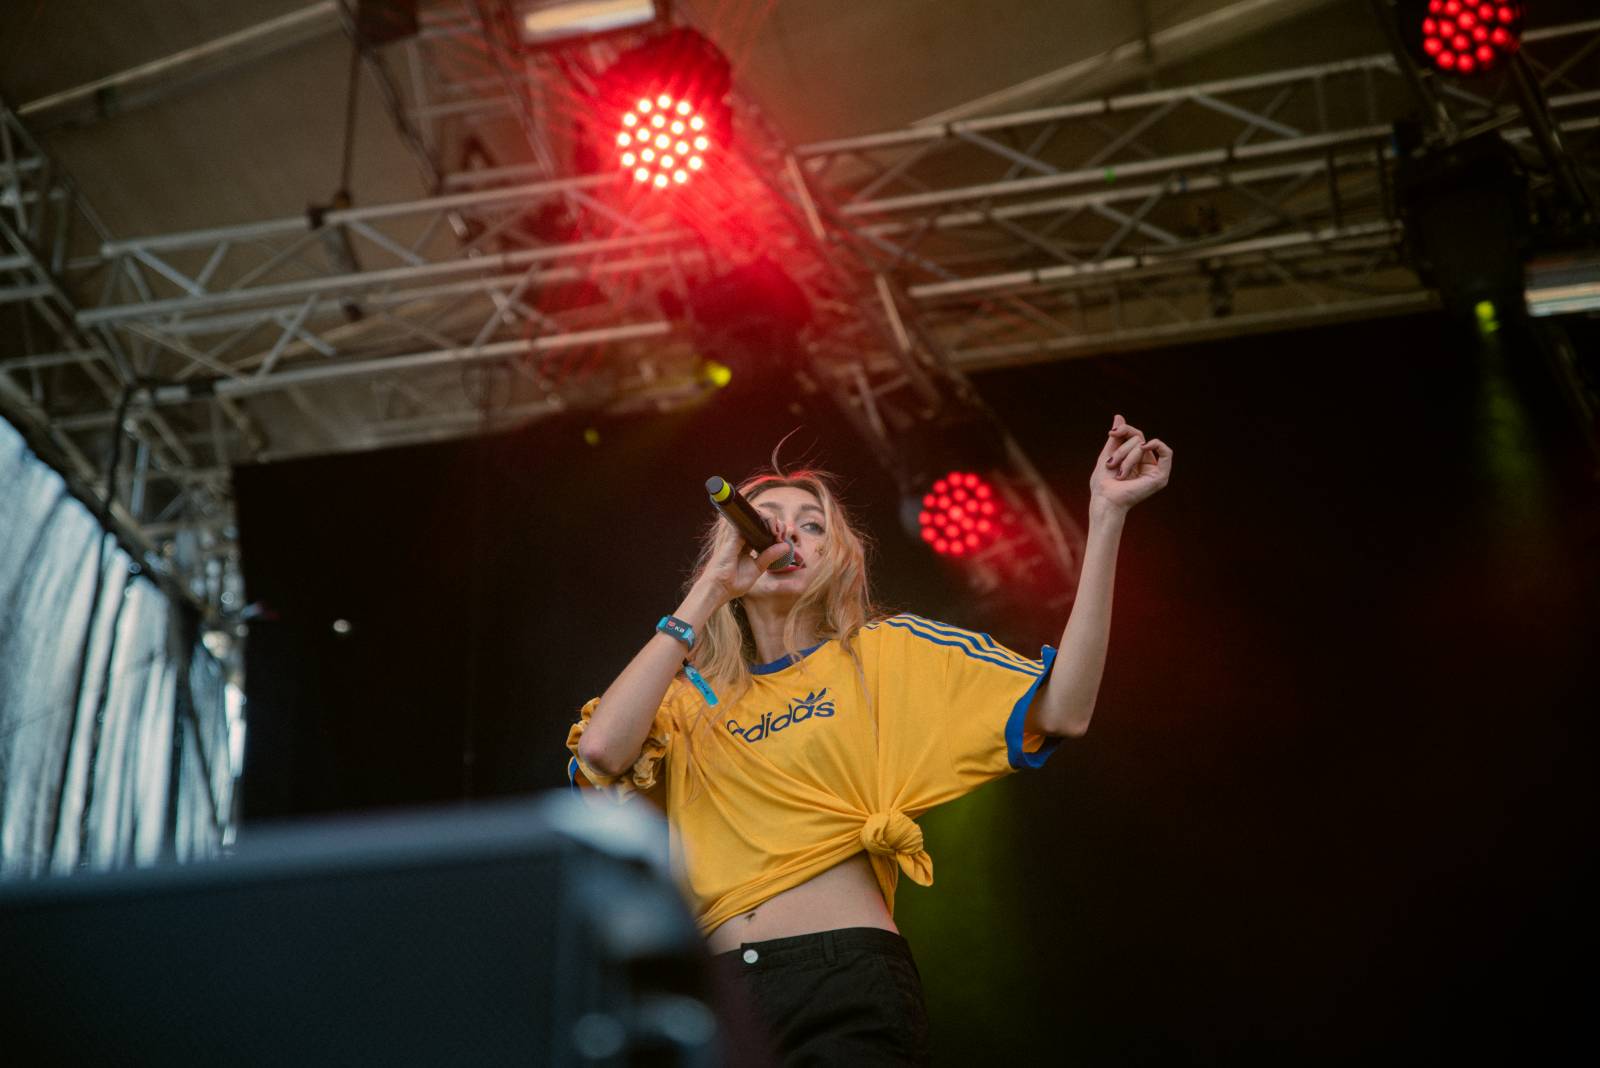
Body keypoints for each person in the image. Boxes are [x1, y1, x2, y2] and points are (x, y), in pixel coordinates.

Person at [566, 414, 1172, 1065]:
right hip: (720, 995)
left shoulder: (889, 654)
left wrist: (1105, 516)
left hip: (839, 976)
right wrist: (711, 587)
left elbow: (1066, 709)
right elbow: (600, 753)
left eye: (811, 524)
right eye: (765, 517)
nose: (785, 533)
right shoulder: (685, 700)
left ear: (837, 558)